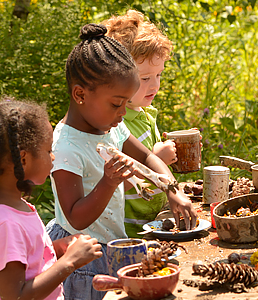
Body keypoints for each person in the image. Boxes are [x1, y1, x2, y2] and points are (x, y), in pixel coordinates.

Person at [45, 22, 197, 300]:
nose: (123, 113)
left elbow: (148, 156)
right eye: (117, 104)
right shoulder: (66, 147)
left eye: (127, 103)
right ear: (80, 94)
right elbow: (76, 217)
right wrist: (109, 181)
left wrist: (172, 190)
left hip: (114, 247)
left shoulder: (110, 126)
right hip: (82, 259)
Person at [0, 98, 102, 300]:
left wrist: (56, 248)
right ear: (23, 159)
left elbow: (25, 258)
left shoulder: (4, 206)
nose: (53, 157)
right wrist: (69, 261)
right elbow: (16, 296)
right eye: (48, 150)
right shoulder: (5, 224)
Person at [103, 10, 200, 237]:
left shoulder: (145, 113)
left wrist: (174, 158)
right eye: (145, 78)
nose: (154, 85)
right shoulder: (115, 124)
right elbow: (115, 184)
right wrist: (156, 161)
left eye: (159, 75)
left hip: (156, 218)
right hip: (130, 230)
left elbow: (152, 157)